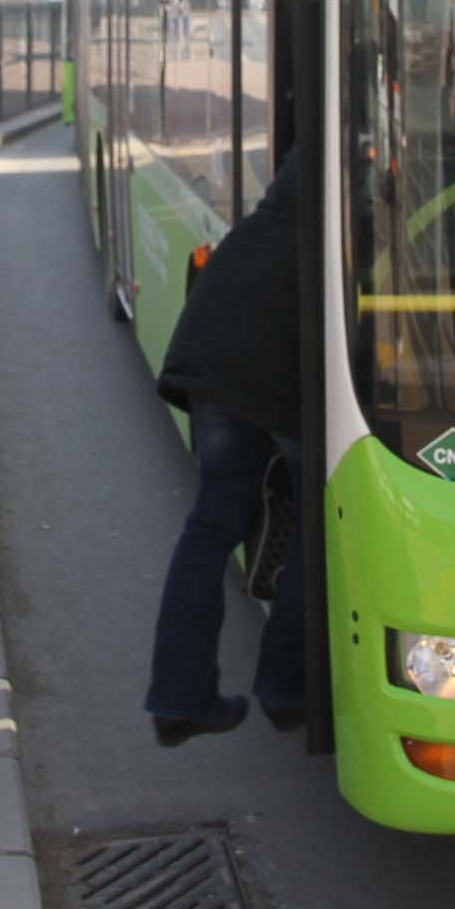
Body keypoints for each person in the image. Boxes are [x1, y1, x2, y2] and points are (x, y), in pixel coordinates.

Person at [143, 153, 307, 745]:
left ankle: (178, 698)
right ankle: (287, 687)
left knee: (212, 525)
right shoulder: (326, 239)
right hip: (259, 381)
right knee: (329, 513)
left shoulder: (267, 224)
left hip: (210, 369)